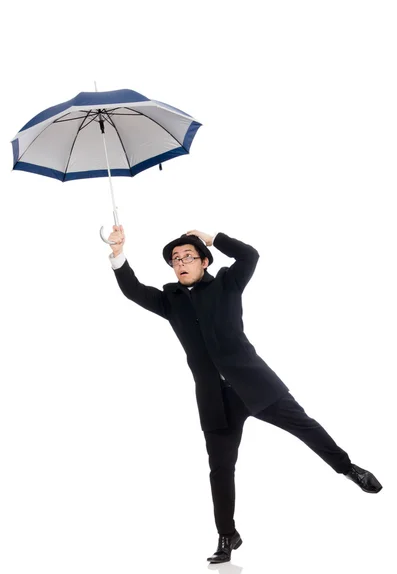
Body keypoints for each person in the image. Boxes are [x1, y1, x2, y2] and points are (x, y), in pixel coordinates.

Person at [107, 225, 382, 565]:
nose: (180, 262)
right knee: (220, 469)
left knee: (305, 426)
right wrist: (118, 252)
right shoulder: (169, 300)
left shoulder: (226, 282)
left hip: (254, 383)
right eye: (175, 259)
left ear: (204, 261)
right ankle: (227, 535)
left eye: (188, 256)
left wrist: (212, 238)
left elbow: (249, 255)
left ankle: (347, 468)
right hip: (214, 398)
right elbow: (132, 289)